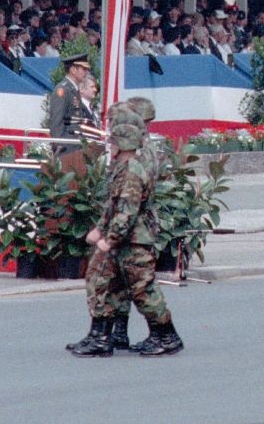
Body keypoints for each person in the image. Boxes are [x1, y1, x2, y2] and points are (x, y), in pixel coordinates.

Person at [75, 121, 183, 356]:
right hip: (125, 238)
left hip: (135, 240)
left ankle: (166, 336)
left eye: (113, 141)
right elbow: (113, 206)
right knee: (103, 281)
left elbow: (127, 212)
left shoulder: (132, 172)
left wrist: (110, 238)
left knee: (143, 290)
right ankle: (101, 336)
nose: (109, 145)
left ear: (123, 144)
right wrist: (100, 229)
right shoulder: (122, 168)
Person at [48, 53, 94, 151]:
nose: (86, 73)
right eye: (83, 69)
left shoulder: (72, 89)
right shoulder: (63, 90)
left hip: (75, 144)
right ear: (73, 70)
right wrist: (59, 145)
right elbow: (57, 119)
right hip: (67, 146)